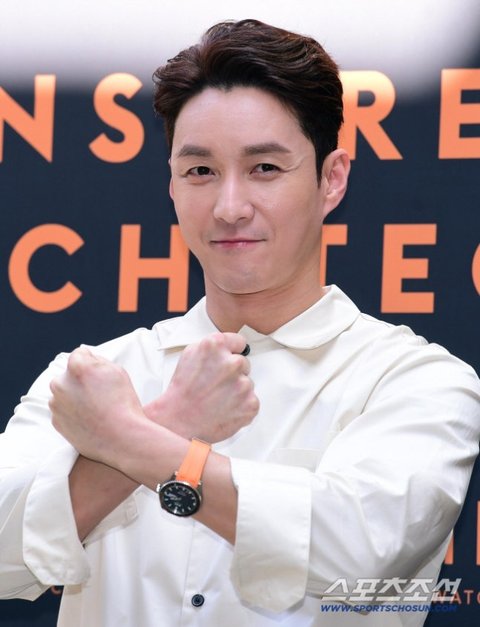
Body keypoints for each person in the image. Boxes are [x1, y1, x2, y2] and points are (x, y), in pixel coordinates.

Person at [0, 18, 479, 627]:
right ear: (172, 185)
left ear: (331, 179)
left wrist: (138, 440)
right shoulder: (92, 377)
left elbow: (357, 551)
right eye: (200, 171)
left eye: (265, 169)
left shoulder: (417, 380)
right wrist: (174, 421)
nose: (229, 208)